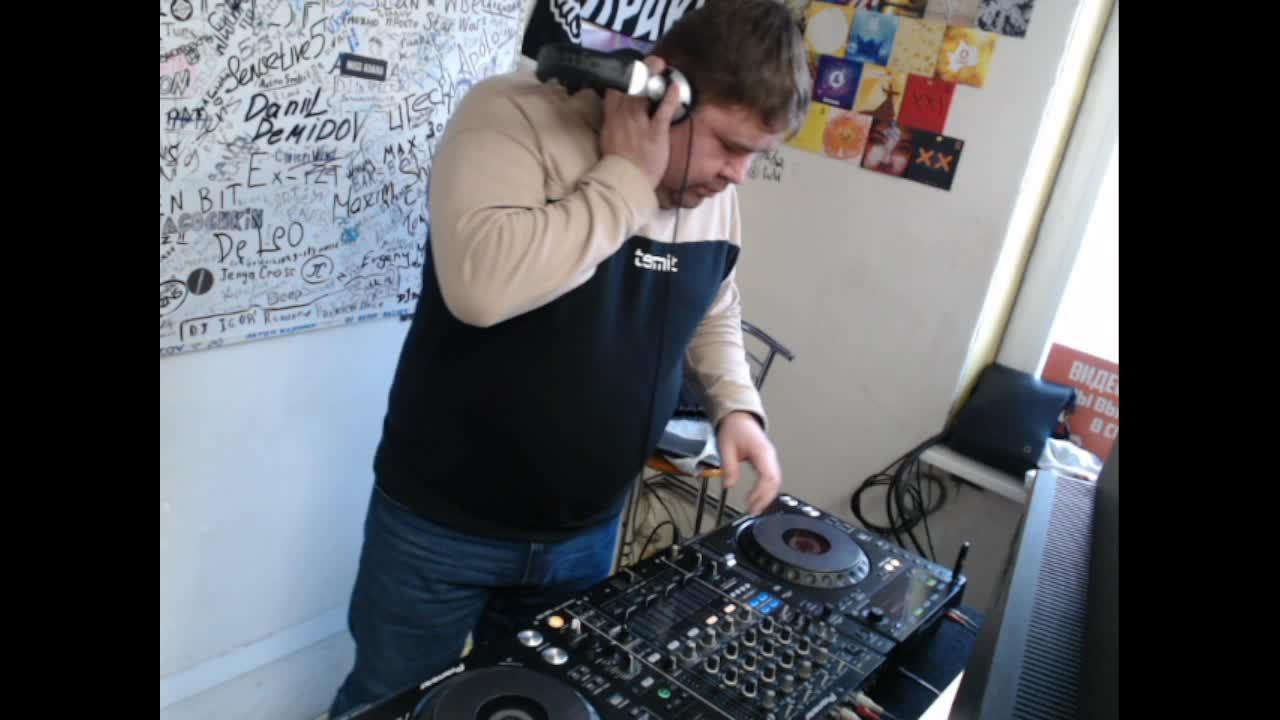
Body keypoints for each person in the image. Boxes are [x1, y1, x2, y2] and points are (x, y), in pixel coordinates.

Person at [328, 0, 812, 716]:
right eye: (729, 145)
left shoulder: (706, 190)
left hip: (584, 538)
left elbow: (713, 303)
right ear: (666, 97)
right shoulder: (512, 118)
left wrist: (736, 406)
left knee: (548, 706)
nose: (737, 174)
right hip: (442, 528)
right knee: (389, 703)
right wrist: (627, 176)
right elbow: (482, 288)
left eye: (756, 155)